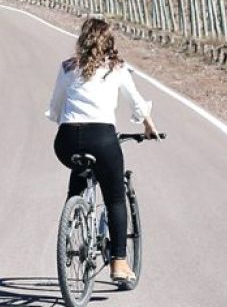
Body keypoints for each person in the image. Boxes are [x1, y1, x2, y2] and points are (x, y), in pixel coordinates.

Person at [46, 17, 160, 284]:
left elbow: (55, 107)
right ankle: (119, 263)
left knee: (80, 170)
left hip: (66, 141)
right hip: (103, 139)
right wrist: (149, 125)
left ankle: (72, 225)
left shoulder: (67, 67)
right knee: (115, 199)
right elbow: (137, 102)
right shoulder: (117, 68)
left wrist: (66, 118)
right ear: (109, 41)